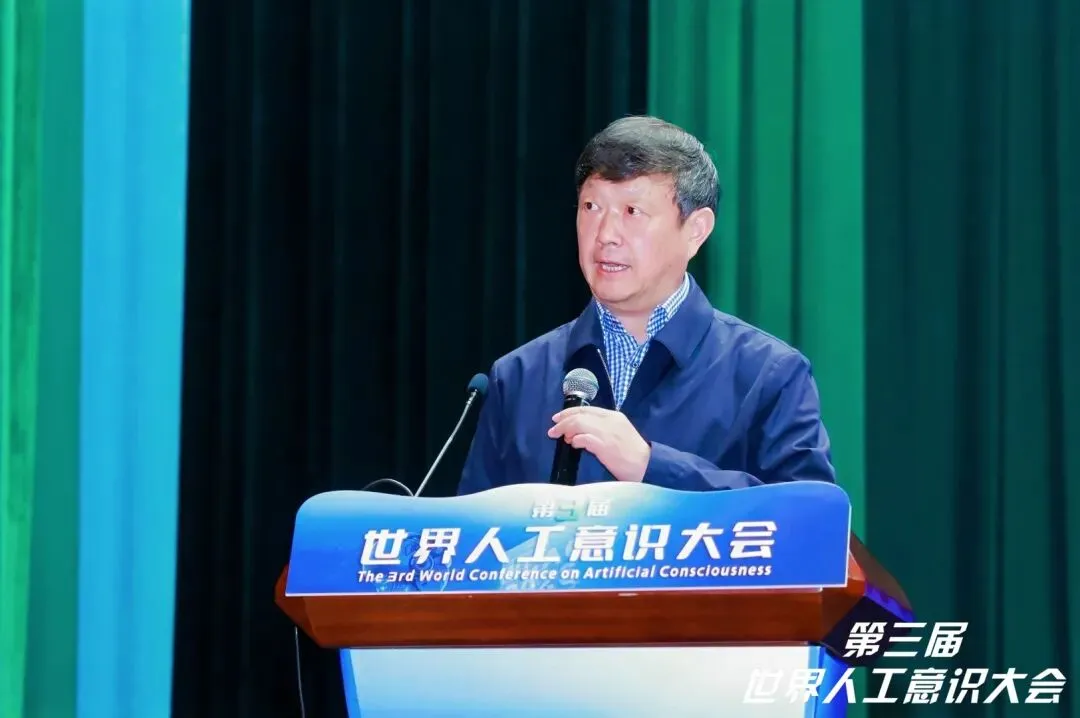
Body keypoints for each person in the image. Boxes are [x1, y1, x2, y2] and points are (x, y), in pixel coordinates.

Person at [457, 116, 836, 494]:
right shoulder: (518, 377)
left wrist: (650, 467)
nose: (605, 235)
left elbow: (809, 517)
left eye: (632, 212)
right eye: (591, 207)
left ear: (696, 230)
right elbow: (474, 526)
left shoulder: (769, 375)